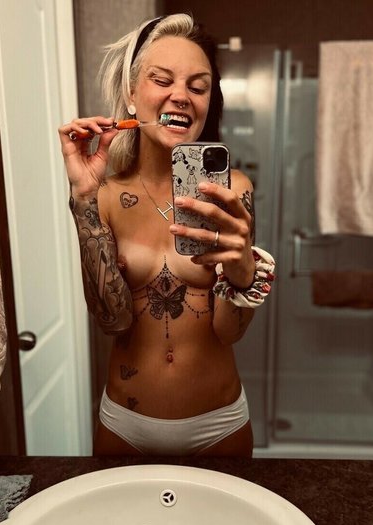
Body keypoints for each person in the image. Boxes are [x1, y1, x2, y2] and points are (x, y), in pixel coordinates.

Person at [58, 13, 275, 457]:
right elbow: (112, 321)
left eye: (199, 87)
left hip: (219, 426)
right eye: (162, 80)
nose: (182, 96)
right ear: (131, 95)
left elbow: (229, 333)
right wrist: (83, 199)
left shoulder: (232, 192)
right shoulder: (105, 196)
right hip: (125, 425)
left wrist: (241, 273)